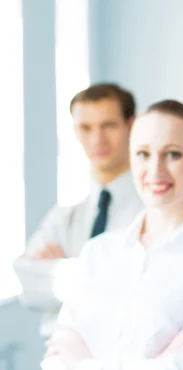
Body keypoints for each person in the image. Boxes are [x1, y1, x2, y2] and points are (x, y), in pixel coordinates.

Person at [41, 100, 183, 370]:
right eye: (142, 154)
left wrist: (82, 362)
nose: (155, 170)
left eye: (173, 154)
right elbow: (55, 359)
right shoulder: (98, 251)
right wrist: (156, 363)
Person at [13, 83, 143, 337]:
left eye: (109, 125)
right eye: (85, 128)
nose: (97, 139)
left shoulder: (151, 212)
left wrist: (59, 269)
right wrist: (103, 277)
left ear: (131, 125)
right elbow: (27, 286)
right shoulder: (65, 215)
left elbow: (137, 291)